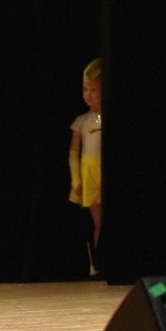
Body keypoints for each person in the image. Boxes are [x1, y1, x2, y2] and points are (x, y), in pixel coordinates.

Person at [68, 58, 103, 276]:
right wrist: (76, 180)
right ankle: (99, 263)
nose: (88, 95)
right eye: (85, 89)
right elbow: (73, 153)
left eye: (94, 90)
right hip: (89, 172)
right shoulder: (82, 121)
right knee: (98, 220)